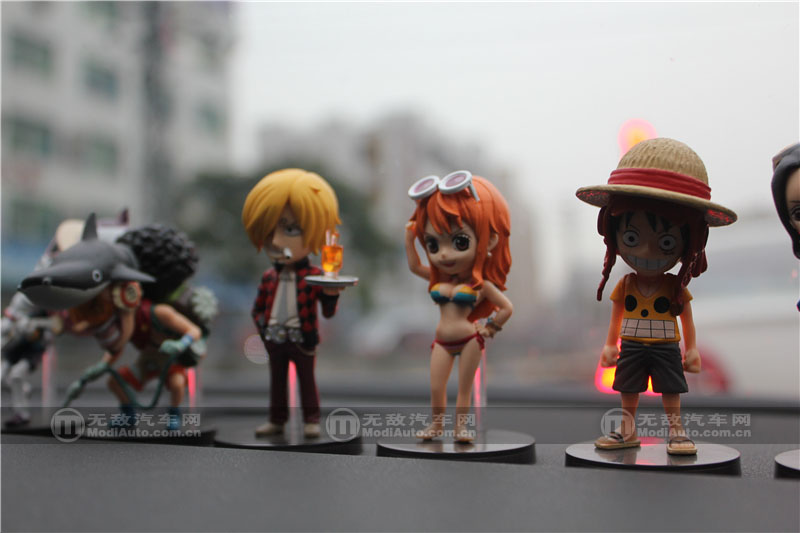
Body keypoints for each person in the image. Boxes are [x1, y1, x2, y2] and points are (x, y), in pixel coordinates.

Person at [576, 137, 737, 455]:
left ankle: (677, 432)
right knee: (627, 388)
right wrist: (610, 344)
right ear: (613, 233)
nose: (647, 253)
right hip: (631, 343)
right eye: (631, 238)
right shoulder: (626, 285)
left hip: (665, 345)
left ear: (690, 243)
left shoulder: (674, 288)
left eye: (666, 243)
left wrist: (692, 348)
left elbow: (687, 318)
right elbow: (617, 315)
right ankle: (627, 430)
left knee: (670, 389)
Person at [405, 171, 512, 443]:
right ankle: (436, 426)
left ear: (488, 240)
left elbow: (506, 307)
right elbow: (415, 266)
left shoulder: (481, 285)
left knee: (465, 390)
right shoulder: (438, 277)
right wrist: (409, 239)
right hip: (441, 341)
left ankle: (460, 428)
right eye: (433, 244)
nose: (444, 254)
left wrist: (491, 328)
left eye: (459, 242)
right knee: (436, 387)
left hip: (469, 341)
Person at [243, 168, 344, 439]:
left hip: (302, 338)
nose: (276, 241)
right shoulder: (269, 277)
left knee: (306, 381)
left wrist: (331, 294)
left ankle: (311, 420)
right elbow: (257, 308)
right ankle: (277, 420)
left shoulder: (314, 276)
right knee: (276, 382)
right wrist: (264, 330)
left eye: (290, 229)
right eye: (269, 230)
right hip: (275, 337)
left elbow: (328, 312)